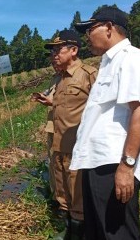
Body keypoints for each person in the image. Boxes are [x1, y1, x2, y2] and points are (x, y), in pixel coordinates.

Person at [71, 6, 140, 239]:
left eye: (90, 29)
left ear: (109, 27)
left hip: (113, 165)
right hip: (97, 163)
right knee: (99, 233)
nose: (86, 36)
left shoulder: (133, 59)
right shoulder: (109, 63)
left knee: (118, 234)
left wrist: (127, 166)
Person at [44, 30, 97, 239]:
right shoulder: (59, 78)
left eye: (58, 49)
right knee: (61, 190)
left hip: (78, 147)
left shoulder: (88, 75)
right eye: (52, 51)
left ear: (74, 50)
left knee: (78, 194)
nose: (54, 54)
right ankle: (66, 227)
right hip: (59, 143)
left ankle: (79, 232)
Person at [32, 52, 61, 199]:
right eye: (53, 64)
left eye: (56, 63)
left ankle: (66, 202)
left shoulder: (70, 78)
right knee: (52, 160)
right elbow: (50, 94)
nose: (55, 66)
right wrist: (41, 97)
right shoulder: (55, 79)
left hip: (65, 127)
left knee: (62, 164)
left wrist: (52, 101)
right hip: (52, 124)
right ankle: (56, 195)